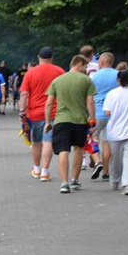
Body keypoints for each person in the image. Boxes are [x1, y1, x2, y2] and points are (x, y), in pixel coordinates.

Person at [45, 54, 96, 194]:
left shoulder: (57, 80)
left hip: (61, 120)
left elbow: (49, 103)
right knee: (78, 149)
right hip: (80, 120)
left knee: (63, 150)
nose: (86, 69)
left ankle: (64, 183)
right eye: (85, 66)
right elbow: (90, 102)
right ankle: (74, 179)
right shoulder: (86, 80)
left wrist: (48, 121)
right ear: (79, 64)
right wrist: (92, 119)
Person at [18, 47, 64, 180]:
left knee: (36, 142)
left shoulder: (30, 73)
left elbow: (24, 93)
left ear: (39, 57)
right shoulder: (60, 71)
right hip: (54, 112)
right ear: (52, 58)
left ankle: (37, 169)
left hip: (35, 113)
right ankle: (45, 171)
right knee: (48, 141)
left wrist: (22, 111)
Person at [102, 69, 128, 195]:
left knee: (116, 158)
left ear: (117, 80)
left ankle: (114, 180)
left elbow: (107, 112)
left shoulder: (112, 94)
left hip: (114, 131)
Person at [89, 52, 118, 181]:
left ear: (100, 62)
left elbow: (89, 95)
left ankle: (97, 161)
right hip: (112, 113)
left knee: (91, 138)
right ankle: (106, 171)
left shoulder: (94, 76)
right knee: (106, 142)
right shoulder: (118, 75)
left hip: (97, 112)